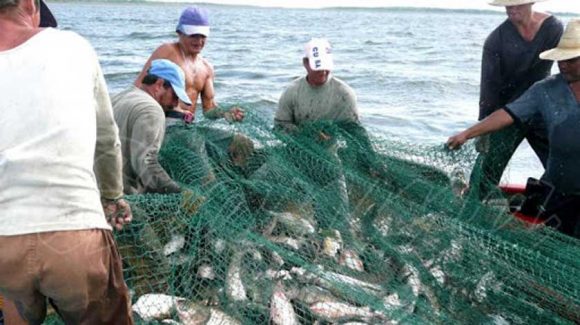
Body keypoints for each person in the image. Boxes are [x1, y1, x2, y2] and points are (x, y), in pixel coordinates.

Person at [0, 0, 133, 323]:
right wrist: (113, 195)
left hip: (3, 244)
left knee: (16, 311)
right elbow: (105, 138)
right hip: (75, 233)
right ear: (31, 4)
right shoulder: (73, 46)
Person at [447, 18, 580, 238]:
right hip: (560, 191)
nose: (563, 64)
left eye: (571, 60)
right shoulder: (545, 90)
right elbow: (508, 113)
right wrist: (468, 133)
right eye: (560, 59)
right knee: (562, 245)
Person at [470, 0, 563, 200]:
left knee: (564, 163)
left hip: (541, 108)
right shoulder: (496, 40)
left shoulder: (553, 27)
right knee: (486, 174)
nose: (512, 9)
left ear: (530, 3)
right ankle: (476, 206)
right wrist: (484, 127)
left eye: (517, 4)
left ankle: (549, 201)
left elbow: (567, 65)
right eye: (508, 5)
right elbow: (489, 88)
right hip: (507, 113)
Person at [274, 38, 365, 242]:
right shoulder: (292, 91)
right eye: (317, 67)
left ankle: (338, 248)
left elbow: (355, 132)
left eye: (326, 67)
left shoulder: (344, 94)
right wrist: (303, 135)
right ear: (305, 63)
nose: (323, 72)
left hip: (327, 161)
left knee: (339, 228)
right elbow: (279, 127)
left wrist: (369, 161)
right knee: (259, 186)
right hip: (292, 157)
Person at [134, 6, 243, 122]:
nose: (199, 40)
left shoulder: (207, 68)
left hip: (186, 126)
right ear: (179, 32)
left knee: (241, 140)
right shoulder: (168, 51)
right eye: (193, 35)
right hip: (162, 121)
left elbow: (208, 109)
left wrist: (225, 113)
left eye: (202, 36)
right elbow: (139, 87)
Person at [113, 59, 190, 194]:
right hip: (121, 196)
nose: (175, 104)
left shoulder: (120, 96)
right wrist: (179, 193)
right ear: (159, 84)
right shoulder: (152, 110)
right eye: (175, 95)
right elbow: (145, 163)